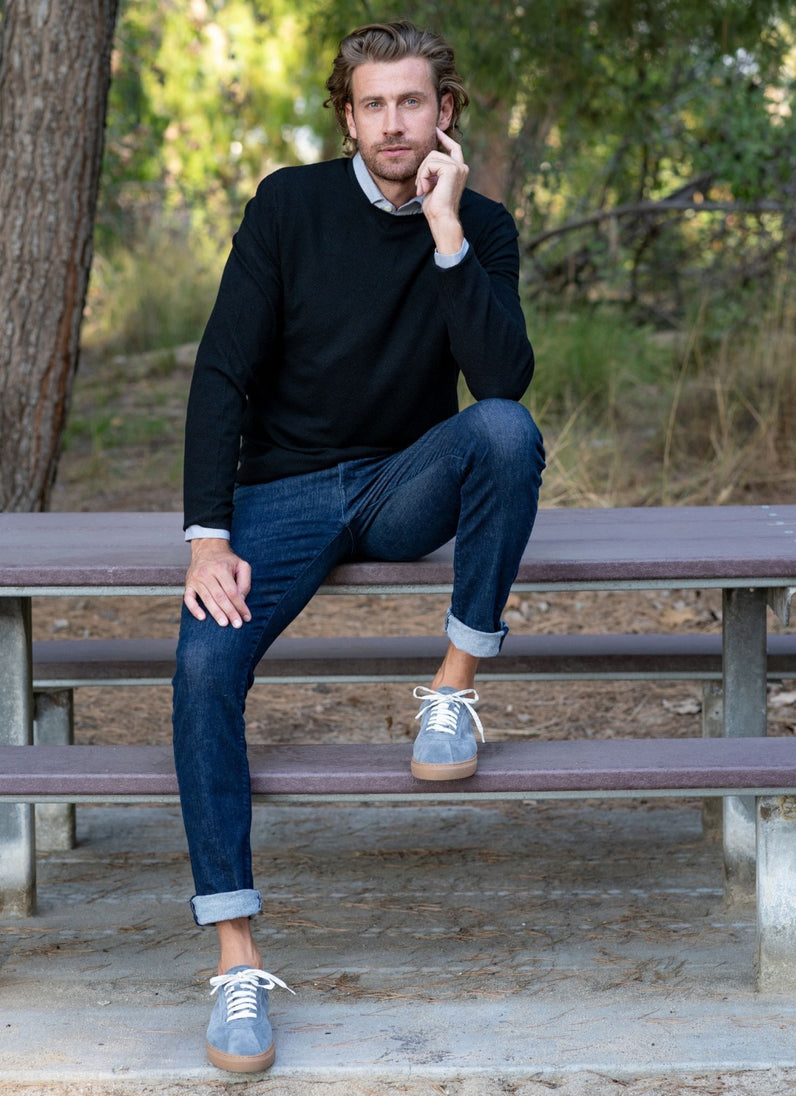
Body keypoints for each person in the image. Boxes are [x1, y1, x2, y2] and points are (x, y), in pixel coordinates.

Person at [172, 19, 546, 1074]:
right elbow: (221, 375)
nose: (393, 122)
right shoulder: (288, 206)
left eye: (411, 103)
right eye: (373, 104)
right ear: (348, 114)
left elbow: (502, 386)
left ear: (444, 113)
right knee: (203, 665)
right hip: (279, 497)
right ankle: (235, 961)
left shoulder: (480, 224)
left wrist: (443, 234)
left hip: (398, 484)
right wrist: (207, 537)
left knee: (506, 436)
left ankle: (453, 684)